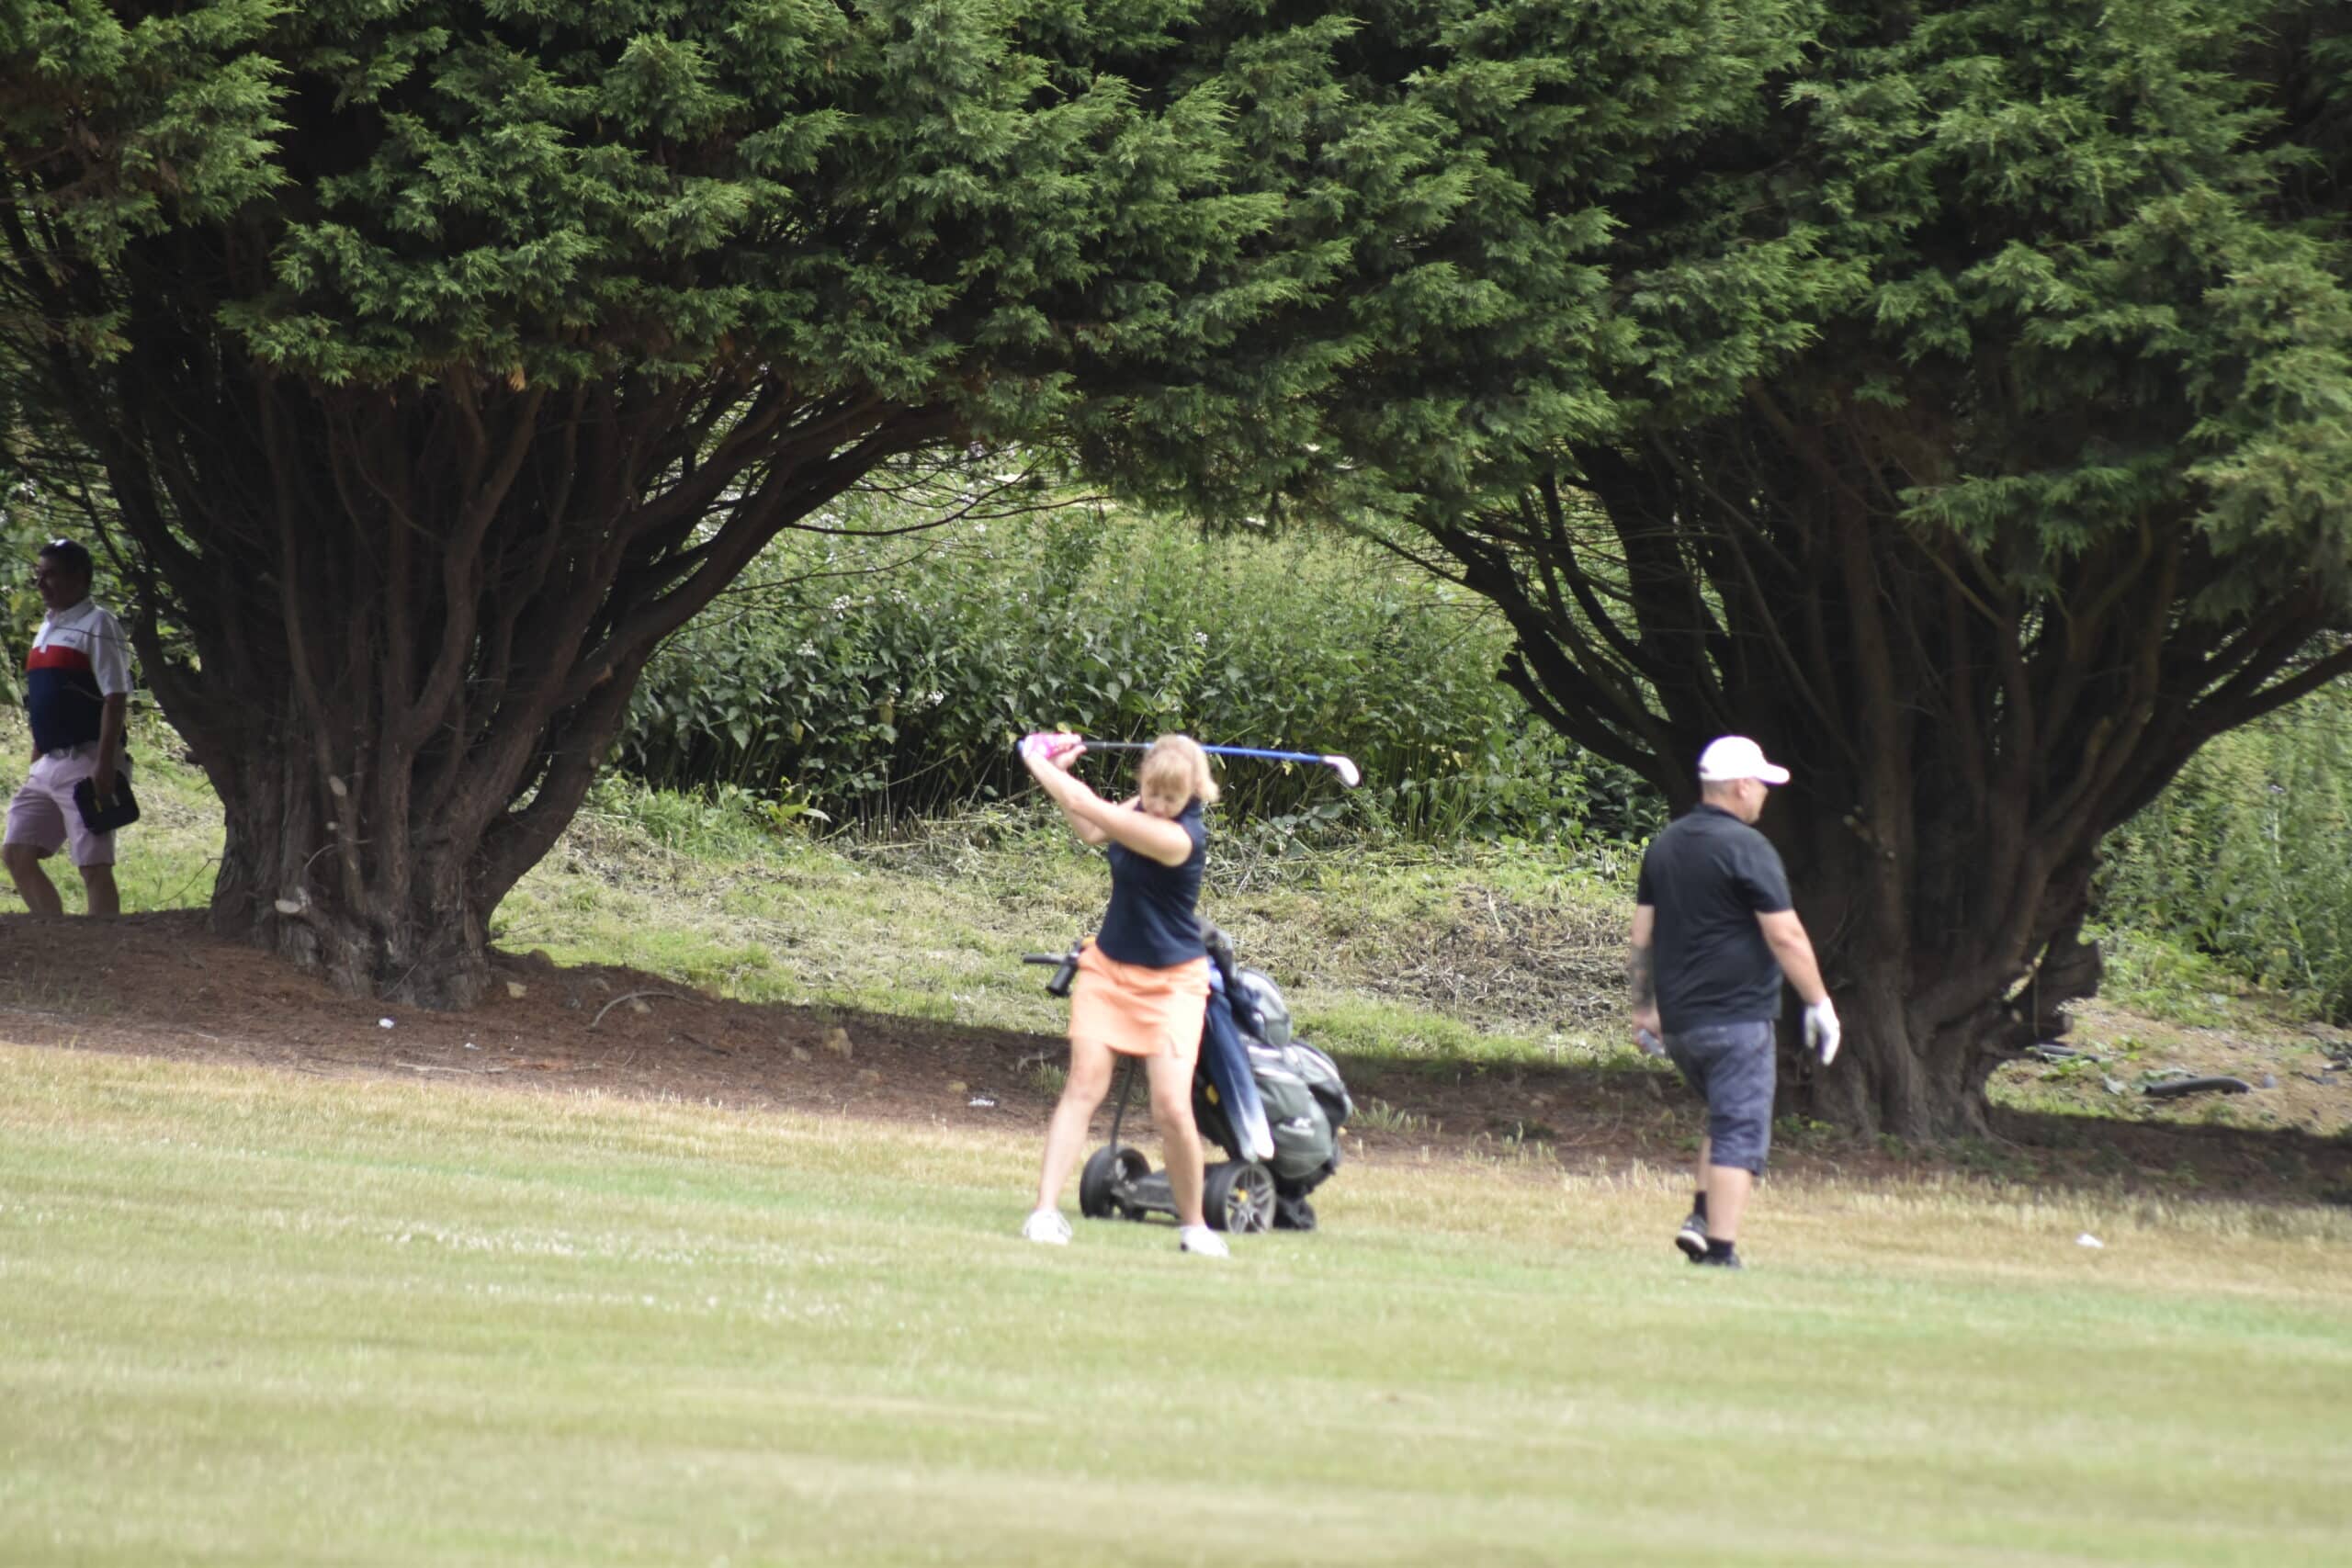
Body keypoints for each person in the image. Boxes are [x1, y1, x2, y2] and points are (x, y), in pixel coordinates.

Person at [1628, 736, 1839, 1269]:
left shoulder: (1666, 845)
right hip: (1737, 1018)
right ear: (1742, 786)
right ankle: (1720, 1253)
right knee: (1741, 1129)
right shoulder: (1748, 848)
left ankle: (1701, 1220)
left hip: (1680, 1025)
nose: (1765, 794)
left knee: (1725, 1118)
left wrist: (1643, 1007)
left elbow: (1642, 934)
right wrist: (1818, 1002)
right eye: (1762, 784)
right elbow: (1785, 935)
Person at [1017, 731, 1229, 1258]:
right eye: (1151, 793)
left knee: (1171, 1107)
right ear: (1144, 781)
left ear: (1192, 793)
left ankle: (1194, 1227)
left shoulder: (1180, 838)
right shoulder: (1144, 806)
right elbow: (1092, 827)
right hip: (1108, 970)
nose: (1157, 805)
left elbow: (1089, 807)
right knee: (1083, 1086)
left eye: (1170, 798)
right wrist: (1058, 772)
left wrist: (1034, 758)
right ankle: (1044, 1213)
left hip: (1172, 983)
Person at [6, 538, 134, 918]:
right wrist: (37, 754)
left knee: (93, 865)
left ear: (79, 577)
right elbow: (48, 697)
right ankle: (57, 936)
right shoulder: (47, 627)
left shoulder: (99, 625)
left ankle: (104, 943)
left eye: (50, 575)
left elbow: (115, 697)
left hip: (87, 759)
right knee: (17, 852)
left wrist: (104, 765)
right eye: (38, 575)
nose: (41, 583)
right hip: (48, 762)